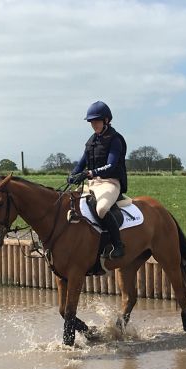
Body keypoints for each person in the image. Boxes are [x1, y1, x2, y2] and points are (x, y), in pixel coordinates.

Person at [68, 100, 128, 258]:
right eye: (91, 122)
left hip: (110, 182)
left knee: (101, 209)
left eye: (96, 121)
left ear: (106, 120)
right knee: (69, 203)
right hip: (93, 183)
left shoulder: (115, 139)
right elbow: (82, 162)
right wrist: (73, 174)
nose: (94, 125)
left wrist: (90, 173)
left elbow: (111, 165)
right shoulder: (91, 141)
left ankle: (118, 244)